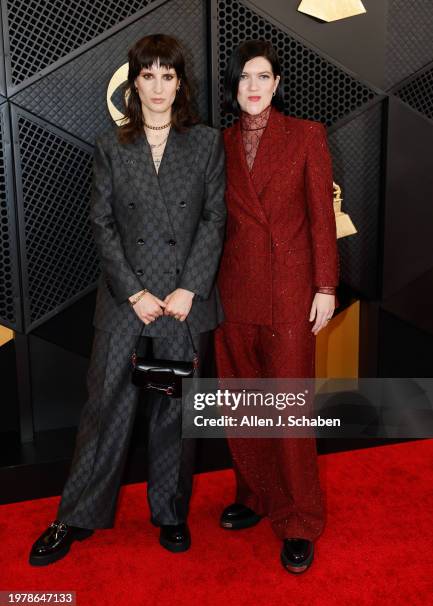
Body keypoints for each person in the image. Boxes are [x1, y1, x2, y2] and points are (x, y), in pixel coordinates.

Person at [29, 34, 226, 566]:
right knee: (103, 411)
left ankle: (171, 513)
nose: (158, 86)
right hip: (125, 302)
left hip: (185, 302)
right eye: (148, 75)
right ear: (133, 82)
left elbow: (213, 218)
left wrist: (188, 288)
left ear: (179, 83)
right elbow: (101, 224)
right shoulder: (111, 144)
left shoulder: (205, 143)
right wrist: (135, 291)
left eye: (168, 75)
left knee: (173, 412)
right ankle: (74, 515)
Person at [214, 40, 339, 574]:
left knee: (288, 412)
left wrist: (326, 287)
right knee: (240, 404)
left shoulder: (306, 135)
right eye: (244, 77)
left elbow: (321, 218)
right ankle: (257, 494)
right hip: (234, 291)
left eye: (263, 76)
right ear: (234, 86)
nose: (254, 86)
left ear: (277, 83)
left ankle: (300, 519)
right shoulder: (217, 143)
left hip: (291, 292)